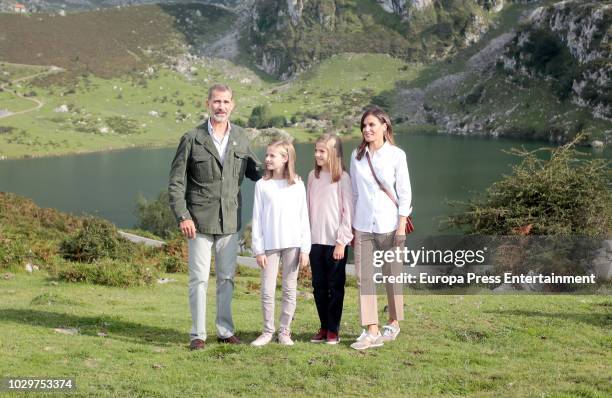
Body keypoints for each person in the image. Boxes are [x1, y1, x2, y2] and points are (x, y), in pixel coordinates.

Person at [168, 84, 261, 350]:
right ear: (207, 103)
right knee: (198, 279)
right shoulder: (192, 138)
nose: (221, 106)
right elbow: (175, 182)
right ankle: (198, 335)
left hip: (230, 222)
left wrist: (283, 168)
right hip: (197, 222)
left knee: (227, 278)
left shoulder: (241, 137)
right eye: (216, 102)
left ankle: (225, 330)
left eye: (226, 102)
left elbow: (255, 171)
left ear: (233, 105)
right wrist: (182, 216)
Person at [349, 106, 412, 350]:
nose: (367, 129)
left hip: (389, 225)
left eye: (372, 125)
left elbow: (405, 193)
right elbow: (355, 193)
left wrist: (401, 227)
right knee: (364, 279)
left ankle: (393, 323)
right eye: (364, 126)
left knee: (392, 276)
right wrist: (353, 227)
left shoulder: (397, 155)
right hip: (363, 225)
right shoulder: (357, 156)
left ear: (385, 126)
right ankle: (371, 330)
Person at [251, 139, 311, 347]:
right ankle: (267, 331)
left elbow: (304, 217)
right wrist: (258, 249)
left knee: (289, 289)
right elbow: (257, 218)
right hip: (269, 246)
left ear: (285, 159)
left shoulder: (297, 184)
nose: (267, 159)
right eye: (266, 155)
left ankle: (284, 331)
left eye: (272, 156)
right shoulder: (262, 185)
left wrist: (305, 248)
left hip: (293, 244)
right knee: (267, 290)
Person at [306, 134, 353, 345]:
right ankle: (324, 327)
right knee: (319, 286)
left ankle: (334, 329)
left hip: (336, 243)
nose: (317, 154)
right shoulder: (312, 177)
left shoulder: (342, 178)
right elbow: (306, 210)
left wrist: (342, 241)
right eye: (316, 150)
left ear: (334, 153)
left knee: (336, 287)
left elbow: (348, 212)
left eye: (322, 151)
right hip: (315, 241)